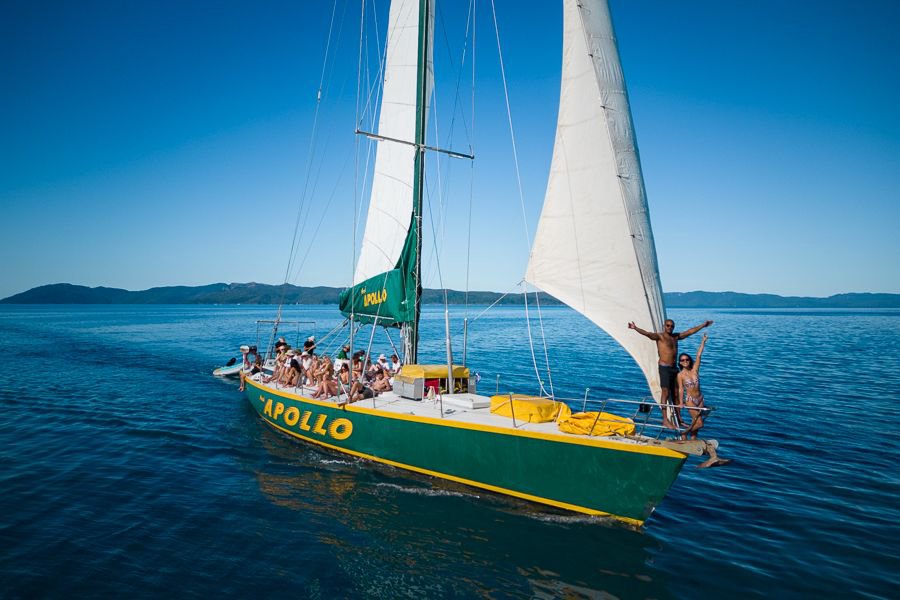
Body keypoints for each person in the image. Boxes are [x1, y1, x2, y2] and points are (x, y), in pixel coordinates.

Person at [628, 318, 713, 429]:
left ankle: (679, 419)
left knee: (676, 394)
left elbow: (689, 332)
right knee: (665, 392)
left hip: (674, 369)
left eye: (672, 326)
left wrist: (703, 325)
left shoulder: (675, 337)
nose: (670, 327)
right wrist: (635, 328)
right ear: (664, 326)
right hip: (664, 368)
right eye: (668, 325)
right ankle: (665, 420)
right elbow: (648, 334)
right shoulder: (660, 336)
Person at [677, 334, 708, 439]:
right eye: (682, 360)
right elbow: (681, 389)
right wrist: (681, 402)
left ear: (689, 360)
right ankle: (684, 433)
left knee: (696, 423)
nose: (685, 361)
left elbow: (699, 355)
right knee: (699, 423)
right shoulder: (680, 375)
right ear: (680, 363)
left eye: (687, 359)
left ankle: (693, 439)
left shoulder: (695, 370)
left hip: (700, 399)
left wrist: (703, 341)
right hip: (690, 400)